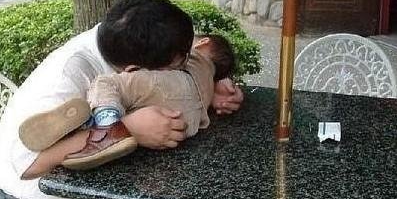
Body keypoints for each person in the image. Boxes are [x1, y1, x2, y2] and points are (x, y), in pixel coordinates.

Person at [0, 0, 244, 199]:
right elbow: (26, 165)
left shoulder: (127, 37)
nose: (184, 67)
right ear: (135, 70)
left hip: (90, 191)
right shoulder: (68, 76)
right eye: (176, 68)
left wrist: (211, 85)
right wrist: (128, 128)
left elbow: (179, 69)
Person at [19, 34, 235, 170]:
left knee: (107, 85)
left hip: (172, 85)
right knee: (137, 110)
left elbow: (173, 54)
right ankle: (92, 125)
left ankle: (106, 125)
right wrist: (220, 81)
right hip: (190, 121)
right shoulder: (209, 81)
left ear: (203, 42)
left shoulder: (191, 51)